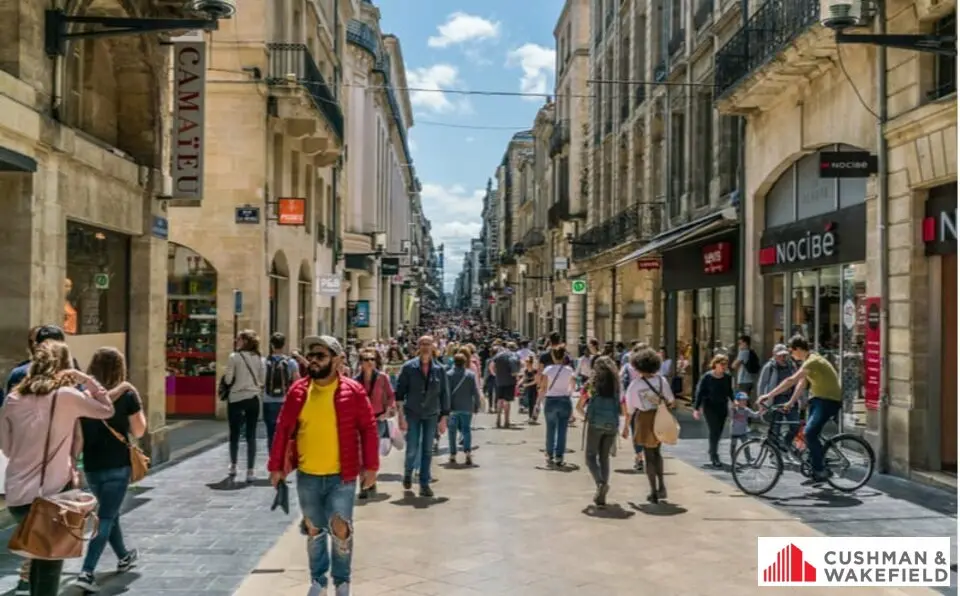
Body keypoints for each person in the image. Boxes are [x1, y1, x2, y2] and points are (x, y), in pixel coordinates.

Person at [0, 341, 116, 596]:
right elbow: (107, 410)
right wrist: (86, 379)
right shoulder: (67, 396)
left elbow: (6, 449)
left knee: (40, 558)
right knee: (49, 564)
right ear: (64, 366)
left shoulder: (12, 399)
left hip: (18, 496)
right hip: (52, 494)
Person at [268, 335, 379, 596]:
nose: (314, 361)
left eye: (321, 356)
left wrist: (371, 466)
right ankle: (318, 579)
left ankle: (342, 581)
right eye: (312, 356)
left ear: (338, 360)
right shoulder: (298, 391)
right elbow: (282, 430)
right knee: (314, 530)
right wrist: (276, 467)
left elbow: (369, 429)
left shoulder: (353, 391)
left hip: (342, 476)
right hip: (308, 475)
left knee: (341, 530)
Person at [72, 347, 147, 592]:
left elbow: (78, 437)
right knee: (105, 517)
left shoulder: (82, 396)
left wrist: (74, 461)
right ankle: (87, 572)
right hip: (118, 464)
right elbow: (139, 431)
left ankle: (124, 556)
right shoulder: (127, 395)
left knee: (109, 512)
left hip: (93, 466)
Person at [759, 335, 842, 485]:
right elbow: (801, 384)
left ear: (798, 349)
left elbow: (791, 380)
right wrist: (790, 402)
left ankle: (820, 470)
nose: (790, 355)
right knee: (808, 433)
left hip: (828, 401)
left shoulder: (813, 361)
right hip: (818, 399)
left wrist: (769, 395)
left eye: (791, 351)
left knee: (809, 433)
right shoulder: (808, 362)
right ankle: (815, 464)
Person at [395, 335, 450, 497]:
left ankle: (424, 483)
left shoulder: (440, 370)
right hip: (412, 413)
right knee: (412, 448)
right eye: (422, 344)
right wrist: (400, 416)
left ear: (433, 346)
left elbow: (444, 395)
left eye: (428, 344)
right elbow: (399, 393)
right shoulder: (408, 368)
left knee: (427, 449)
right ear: (418, 347)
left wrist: (444, 418)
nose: (425, 346)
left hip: (431, 414)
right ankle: (408, 472)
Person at [622, 348, 675, 504]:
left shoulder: (635, 384)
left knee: (648, 455)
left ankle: (653, 491)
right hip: (660, 416)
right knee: (657, 452)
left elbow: (630, 408)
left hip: (644, 418)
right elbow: (670, 400)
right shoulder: (661, 381)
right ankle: (662, 486)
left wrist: (625, 426)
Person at [577, 356, 627, 507]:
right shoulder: (617, 387)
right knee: (604, 457)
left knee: (590, 457)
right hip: (612, 424)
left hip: (595, 424)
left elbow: (579, 406)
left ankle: (600, 484)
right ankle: (602, 492)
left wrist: (586, 416)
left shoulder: (591, 385)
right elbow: (624, 410)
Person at [224, 329, 266, 482]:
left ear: (245, 341)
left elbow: (228, 380)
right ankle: (250, 471)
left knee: (234, 434)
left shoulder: (234, 357)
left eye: (239, 339)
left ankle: (234, 465)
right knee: (251, 435)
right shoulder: (260, 359)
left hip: (236, 398)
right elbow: (262, 380)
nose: (236, 342)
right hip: (253, 399)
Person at [354, 348, 397, 499]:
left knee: (371, 452)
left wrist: (389, 410)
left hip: (377, 420)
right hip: (360, 421)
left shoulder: (382, 378)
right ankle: (363, 484)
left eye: (372, 359)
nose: (370, 362)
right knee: (361, 454)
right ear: (361, 363)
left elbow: (391, 396)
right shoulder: (355, 381)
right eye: (366, 359)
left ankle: (371, 480)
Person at [693, 354, 735, 468]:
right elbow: (700, 392)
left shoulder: (727, 377)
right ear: (715, 364)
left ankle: (712, 450)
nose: (724, 367)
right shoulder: (707, 377)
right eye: (722, 364)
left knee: (719, 431)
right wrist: (696, 408)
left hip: (722, 406)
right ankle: (714, 455)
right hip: (709, 407)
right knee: (714, 429)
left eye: (726, 365)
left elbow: (730, 391)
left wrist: (734, 401)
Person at [756, 343, 801, 446]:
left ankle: (786, 444)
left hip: (790, 399)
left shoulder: (791, 365)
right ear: (774, 355)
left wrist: (801, 398)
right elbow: (762, 384)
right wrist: (761, 402)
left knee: (795, 425)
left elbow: (798, 382)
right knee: (775, 428)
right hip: (776, 400)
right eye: (779, 355)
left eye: (784, 355)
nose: (782, 357)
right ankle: (774, 453)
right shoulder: (769, 367)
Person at [263, 332, 299, 455]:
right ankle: (282, 458)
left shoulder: (265, 362)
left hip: (268, 400)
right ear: (284, 345)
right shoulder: (291, 362)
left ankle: (272, 458)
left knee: (270, 432)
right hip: (284, 401)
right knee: (283, 432)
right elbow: (297, 383)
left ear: (271, 345)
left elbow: (260, 380)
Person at [540, 345, 576, 468]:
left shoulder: (548, 369)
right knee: (562, 430)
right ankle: (559, 455)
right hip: (564, 400)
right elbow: (572, 386)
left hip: (550, 400)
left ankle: (549, 454)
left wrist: (538, 402)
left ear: (553, 356)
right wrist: (567, 392)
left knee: (550, 429)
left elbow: (543, 387)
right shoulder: (569, 370)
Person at [446, 351, 481, 466]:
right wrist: (477, 405)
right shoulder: (470, 375)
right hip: (467, 407)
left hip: (452, 408)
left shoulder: (448, 375)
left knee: (452, 431)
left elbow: (445, 393)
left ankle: (452, 454)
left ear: (454, 362)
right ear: (465, 362)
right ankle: (467, 453)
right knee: (466, 430)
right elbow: (475, 391)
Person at [491, 341, 520, 428]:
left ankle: (498, 419)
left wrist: (495, 374)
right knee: (507, 401)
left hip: (499, 380)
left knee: (500, 399)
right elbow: (520, 365)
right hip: (510, 381)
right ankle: (506, 421)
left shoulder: (498, 355)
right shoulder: (514, 355)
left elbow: (491, 366)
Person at [729, 392, 760, 463]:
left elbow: (755, 415)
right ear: (737, 401)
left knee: (746, 445)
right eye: (742, 400)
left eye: (745, 400)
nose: (744, 402)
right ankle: (733, 459)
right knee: (733, 446)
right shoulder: (734, 409)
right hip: (734, 432)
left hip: (743, 432)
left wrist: (761, 411)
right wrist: (734, 405)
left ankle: (748, 458)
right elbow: (731, 413)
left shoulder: (746, 410)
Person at [732, 334, 760, 399]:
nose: (739, 345)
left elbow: (734, 365)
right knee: (746, 399)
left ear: (745, 343)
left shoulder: (743, 352)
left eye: (740, 343)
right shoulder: (751, 351)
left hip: (743, 380)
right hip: (750, 380)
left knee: (742, 400)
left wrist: (739, 353)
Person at [521, 356, 539, 423]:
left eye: (527, 362)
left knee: (533, 403)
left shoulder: (535, 371)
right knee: (529, 403)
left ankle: (533, 418)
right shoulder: (526, 370)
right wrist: (519, 383)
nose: (526, 363)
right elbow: (524, 378)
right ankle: (530, 417)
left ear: (530, 363)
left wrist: (526, 384)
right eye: (526, 362)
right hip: (528, 389)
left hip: (534, 389)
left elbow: (536, 381)